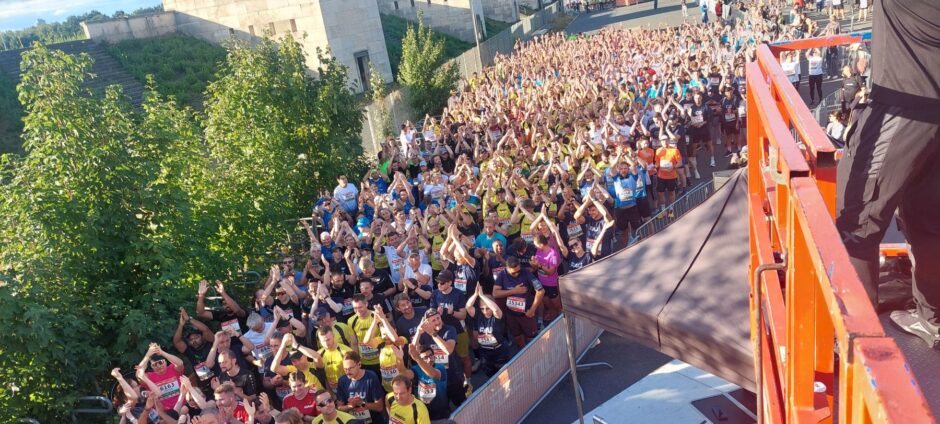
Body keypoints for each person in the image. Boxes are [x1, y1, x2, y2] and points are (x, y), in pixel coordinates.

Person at [835, 0, 940, 350]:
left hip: (901, 110)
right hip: (931, 112)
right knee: (930, 224)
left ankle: (860, 347)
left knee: (857, 224)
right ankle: (933, 319)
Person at [493, 256, 544, 347]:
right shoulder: (502, 275)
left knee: (532, 340)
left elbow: (541, 291)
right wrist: (513, 291)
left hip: (526, 314)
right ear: (507, 269)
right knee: (518, 338)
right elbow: (495, 293)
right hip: (511, 315)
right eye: (513, 273)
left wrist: (532, 309)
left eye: (518, 271)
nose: (516, 274)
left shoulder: (526, 272)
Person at [465, 285, 510, 377]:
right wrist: (476, 294)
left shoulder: (497, 316)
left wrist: (482, 296)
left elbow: (495, 309)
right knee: (490, 375)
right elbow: (468, 306)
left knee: (504, 376)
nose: (485, 311)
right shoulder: (478, 315)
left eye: (487, 308)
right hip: (485, 352)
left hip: (499, 351)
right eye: (482, 308)